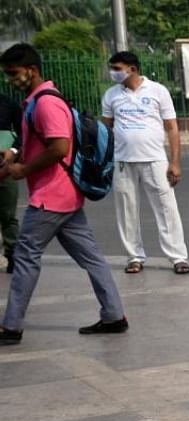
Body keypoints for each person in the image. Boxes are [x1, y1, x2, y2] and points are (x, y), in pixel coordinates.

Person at [0, 43, 127, 346]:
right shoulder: (37, 101)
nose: (10, 80)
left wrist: (24, 169)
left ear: (31, 70)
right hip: (65, 197)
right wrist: (14, 158)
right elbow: (38, 141)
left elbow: (60, 147)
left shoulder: (45, 103)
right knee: (92, 258)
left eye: (13, 73)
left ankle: (12, 326)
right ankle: (114, 315)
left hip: (50, 197)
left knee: (26, 256)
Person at [101, 50, 189, 275]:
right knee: (126, 209)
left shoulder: (158, 91)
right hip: (123, 161)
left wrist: (175, 162)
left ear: (132, 69)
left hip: (155, 159)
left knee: (166, 208)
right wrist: (105, 160)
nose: (113, 73)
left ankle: (178, 257)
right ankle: (134, 257)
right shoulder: (111, 95)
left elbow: (172, 127)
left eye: (117, 69)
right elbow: (106, 129)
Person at [0, 93, 21, 273]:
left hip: (5, 166)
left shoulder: (9, 103)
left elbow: (23, 133)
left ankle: (12, 252)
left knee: (8, 212)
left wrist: (13, 150)